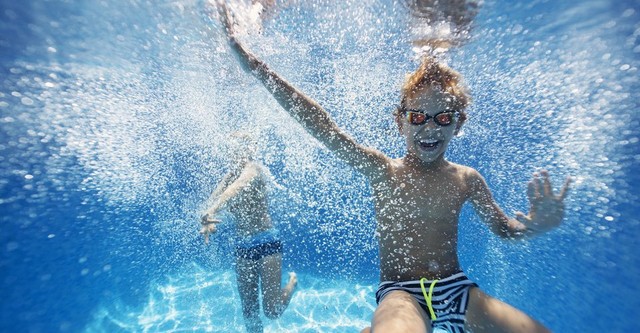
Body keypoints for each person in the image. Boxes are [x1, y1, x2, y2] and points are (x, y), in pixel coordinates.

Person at [215, 4, 570, 332]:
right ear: (400, 122)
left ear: (457, 124)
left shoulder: (467, 180)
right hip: (401, 293)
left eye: (442, 118)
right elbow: (323, 128)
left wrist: (535, 227)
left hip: (456, 288)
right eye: (418, 117)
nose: (430, 129)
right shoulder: (383, 171)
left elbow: (505, 229)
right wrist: (256, 68)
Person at [200, 132, 297, 333]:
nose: (234, 153)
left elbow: (237, 188)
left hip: (266, 241)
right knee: (250, 313)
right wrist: (206, 217)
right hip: (243, 246)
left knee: (272, 311)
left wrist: (214, 209)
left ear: (249, 149)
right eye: (231, 149)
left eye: (240, 148)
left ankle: (292, 284)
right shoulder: (230, 175)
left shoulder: (254, 169)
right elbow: (211, 201)